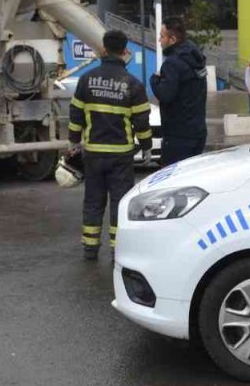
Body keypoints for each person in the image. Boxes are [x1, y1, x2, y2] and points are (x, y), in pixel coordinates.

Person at [68, 30, 152, 260]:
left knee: (93, 201)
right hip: (121, 156)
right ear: (125, 52)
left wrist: (73, 142)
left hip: (93, 153)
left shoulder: (86, 79)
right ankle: (117, 248)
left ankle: (90, 247)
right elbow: (142, 121)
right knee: (119, 202)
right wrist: (146, 146)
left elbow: (75, 114)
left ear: (103, 50)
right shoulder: (133, 84)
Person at [150, 17, 207, 166]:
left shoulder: (172, 63)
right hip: (198, 131)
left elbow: (165, 94)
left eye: (162, 36)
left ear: (173, 39)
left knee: (174, 182)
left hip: (178, 135)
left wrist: (154, 80)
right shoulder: (196, 58)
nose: (159, 41)